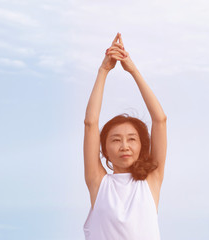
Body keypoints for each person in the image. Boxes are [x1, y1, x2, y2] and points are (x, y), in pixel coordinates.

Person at [83, 32, 167, 240]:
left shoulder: (151, 181)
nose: (124, 146)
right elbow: (90, 123)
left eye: (131, 139)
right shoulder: (98, 183)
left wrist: (132, 70)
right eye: (115, 139)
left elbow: (160, 121)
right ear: (104, 150)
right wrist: (104, 70)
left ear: (141, 146)